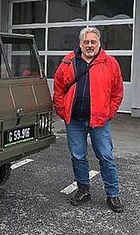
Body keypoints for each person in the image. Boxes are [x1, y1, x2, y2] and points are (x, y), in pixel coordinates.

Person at [53, 27, 124, 213]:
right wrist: (62, 111)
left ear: (99, 43)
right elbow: (58, 88)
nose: (90, 45)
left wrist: (110, 112)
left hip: (100, 120)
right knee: (77, 156)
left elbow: (117, 92)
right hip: (74, 121)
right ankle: (84, 190)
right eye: (86, 42)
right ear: (80, 44)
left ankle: (113, 194)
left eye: (93, 42)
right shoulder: (68, 62)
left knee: (106, 157)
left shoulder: (110, 63)